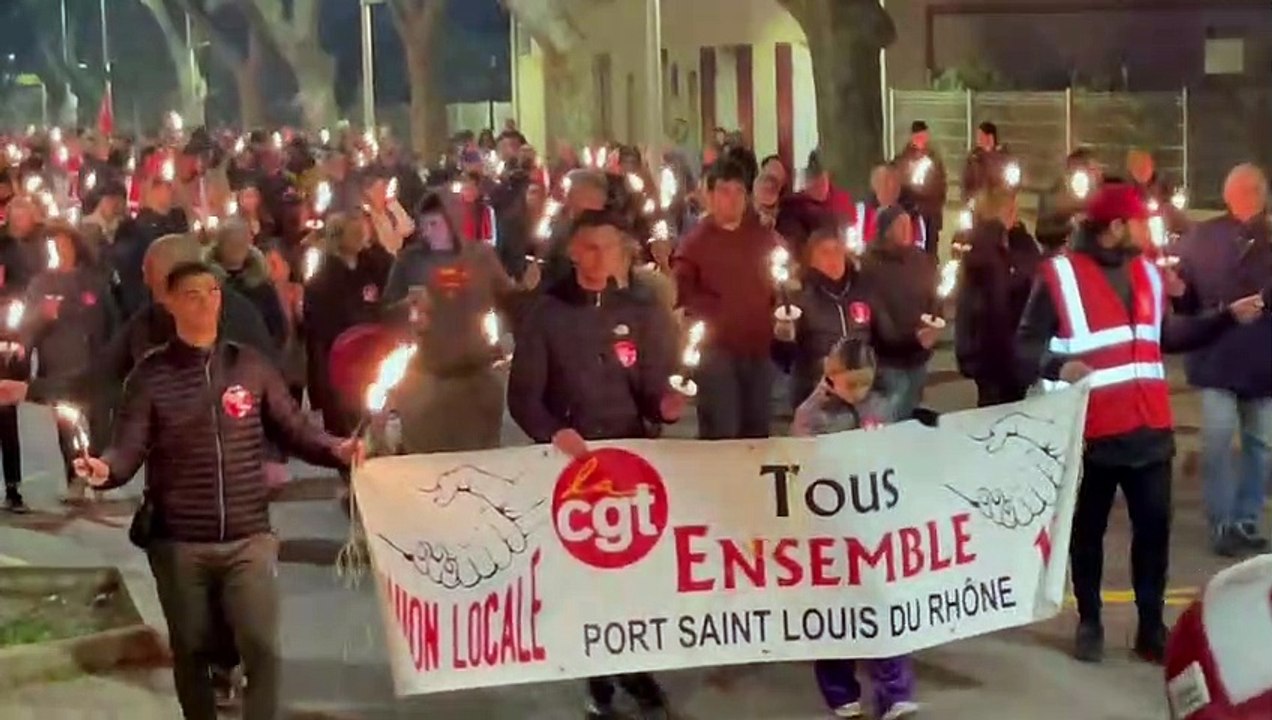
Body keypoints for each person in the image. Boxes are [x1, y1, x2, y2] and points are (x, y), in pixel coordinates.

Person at [72, 261, 360, 720]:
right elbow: (128, 448)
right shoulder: (152, 375)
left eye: (212, 292)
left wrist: (339, 449)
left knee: (262, 647)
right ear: (169, 303)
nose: (206, 302)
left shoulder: (248, 366)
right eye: (192, 295)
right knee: (192, 650)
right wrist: (104, 469)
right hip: (180, 542)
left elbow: (295, 428)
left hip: (249, 537)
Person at [1014, 183, 1266, 664]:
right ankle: (1090, 621)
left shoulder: (1148, 273)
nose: (1146, 231)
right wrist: (1057, 366)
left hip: (1150, 430)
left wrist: (1225, 318)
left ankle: (1151, 626)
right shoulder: (1059, 275)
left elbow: (1166, 335)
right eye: (1136, 222)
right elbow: (1023, 347)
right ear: (1114, 228)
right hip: (1091, 432)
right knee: (1087, 534)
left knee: (1154, 534)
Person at [507, 210, 681, 720]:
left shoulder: (642, 308)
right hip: (577, 462)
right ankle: (598, 676)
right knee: (590, 571)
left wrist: (664, 405)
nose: (600, 257)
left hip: (631, 456)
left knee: (636, 571)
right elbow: (524, 397)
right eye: (589, 247)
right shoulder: (547, 314)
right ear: (574, 252)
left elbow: (654, 386)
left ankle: (637, 666)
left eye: (609, 246)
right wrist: (551, 431)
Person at [791, 335, 919, 720]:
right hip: (832, 530)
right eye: (851, 384)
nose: (859, 391)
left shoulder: (879, 403)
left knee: (884, 603)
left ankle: (894, 693)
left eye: (865, 382)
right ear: (831, 375)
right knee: (837, 613)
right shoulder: (811, 416)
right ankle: (841, 694)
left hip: (875, 526)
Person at [383, 192, 537, 453]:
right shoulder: (409, 261)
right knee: (426, 462)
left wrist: (528, 290)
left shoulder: (481, 256)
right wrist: (406, 307)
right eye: (424, 224)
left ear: (453, 222)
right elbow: (385, 313)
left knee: (477, 462)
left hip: (475, 378)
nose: (427, 232)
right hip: (426, 378)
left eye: (435, 224)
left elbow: (509, 300)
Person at [1174, 164, 1272, 556]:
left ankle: (1245, 518)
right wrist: (1177, 291)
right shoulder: (1203, 236)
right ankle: (1222, 523)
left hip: (1261, 360)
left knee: (1259, 445)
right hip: (1217, 358)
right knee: (1217, 443)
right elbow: (1188, 295)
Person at [673, 160, 779, 439]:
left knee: (757, 431)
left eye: (738, 192)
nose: (732, 200)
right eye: (724, 191)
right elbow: (682, 298)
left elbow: (781, 282)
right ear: (709, 196)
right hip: (717, 352)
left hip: (758, 348)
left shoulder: (763, 238)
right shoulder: (694, 245)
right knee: (724, 429)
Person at [21, 221, 119, 503]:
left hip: (94, 366)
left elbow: (111, 320)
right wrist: (42, 316)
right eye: (55, 245)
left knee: (100, 426)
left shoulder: (94, 281)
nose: (61, 250)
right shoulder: (40, 285)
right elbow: (26, 327)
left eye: (65, 244)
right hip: (59, 367)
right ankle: (74, 476)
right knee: (66, 428)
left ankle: (98, 473)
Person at [955, 189, 1041, 406]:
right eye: (1010, 209)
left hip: (1011, 349)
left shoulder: (1019, 241)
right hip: (991, 353)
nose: (1016, 214)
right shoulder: (983, 248)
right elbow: (985, 306)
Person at [858, 205, 939, 420]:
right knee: (892, 414)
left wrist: (933, 322)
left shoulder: (920, 260)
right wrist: (906, 340)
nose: (907, 230)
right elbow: (876, 310)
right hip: (890, 359)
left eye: (908, 224)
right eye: (900, 225)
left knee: (912, 410)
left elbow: (932, 295)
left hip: (919, 355)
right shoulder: (871, 263)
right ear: (886, 230)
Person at [892, 120, 946, 257]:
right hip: (911, 214)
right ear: (912, 137)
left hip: (930, 214)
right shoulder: (903, 160)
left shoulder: (934, 160)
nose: (921, 140)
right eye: (918, 137)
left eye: (923, 136)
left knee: (930, 251)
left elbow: (940, 186)